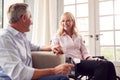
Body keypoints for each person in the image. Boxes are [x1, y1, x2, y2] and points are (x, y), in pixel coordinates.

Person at [0, 3, 74, 80]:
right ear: (24, 18)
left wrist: (52, 47)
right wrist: (54, 71)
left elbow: (36, 47)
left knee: (62, 77)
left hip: (29, 78)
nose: (32, 22)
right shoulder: (4, 39)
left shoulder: (20, 36)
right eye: (30, 17)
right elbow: (19, 74)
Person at [51, 12, 117, 80]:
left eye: (68, 20)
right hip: (72, 63)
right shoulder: (58, 36)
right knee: (101, 65)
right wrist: (55, 49)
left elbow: (84, 52)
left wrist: (92, 59)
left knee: (109, 64)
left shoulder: (78, 36)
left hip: (82, 61)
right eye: (63, 21)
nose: (65, 23)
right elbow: (53, 47)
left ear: (73, 22)